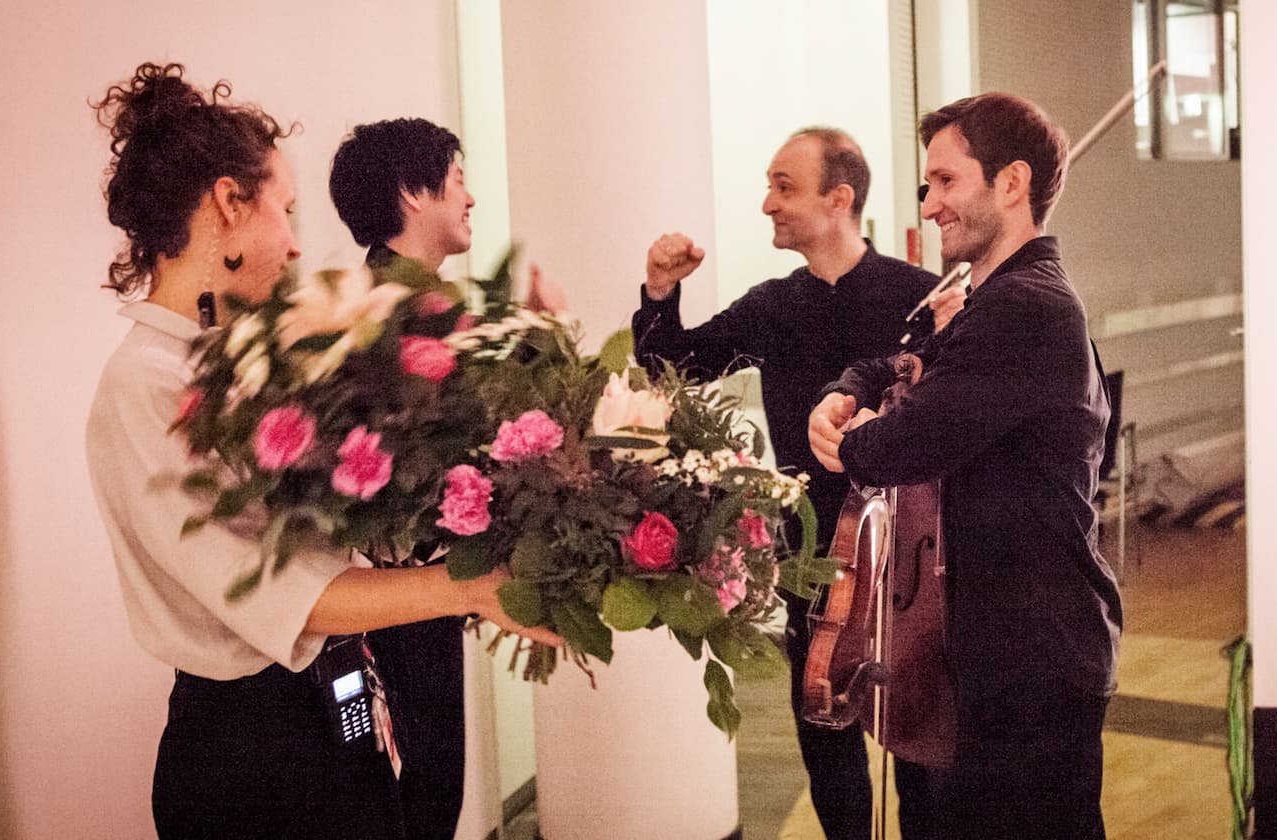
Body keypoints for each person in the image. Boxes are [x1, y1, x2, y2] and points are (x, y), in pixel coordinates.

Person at [84, 62, 559, 839]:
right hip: (251, 754)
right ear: (228, 205)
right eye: (287, 212)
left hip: (326, 715)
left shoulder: (237, 360)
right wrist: (472, 588)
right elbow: (285, 595)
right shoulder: (145, 386)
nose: (300, 248)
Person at [632, 126, 961, 840]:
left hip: (913, 560)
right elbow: (672, 370)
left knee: (925, 772)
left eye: (784, 186)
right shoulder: (770, 306)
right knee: (827, 749)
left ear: (838, 198)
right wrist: (660, 293)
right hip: (810, 557)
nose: (766, 204)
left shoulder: (917, 299)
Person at [808, 92, 1122, 838]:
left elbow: (907, 443)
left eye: (946, 181)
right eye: (928, 184)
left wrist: (846, 440)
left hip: (1031, 660)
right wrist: (848, 391)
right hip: (997, 655)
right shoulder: (992, 298)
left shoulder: (1026, 305)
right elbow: (901, 361)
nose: (930, 202)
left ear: (1011, 184)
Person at [327, 116, 477, 840]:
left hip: (414, 596)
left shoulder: (399, 299)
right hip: (396, 602)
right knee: (423, 795)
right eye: (457, 180)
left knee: (421, 792)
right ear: (413, 194)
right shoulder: (389, 315)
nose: (470, 198)